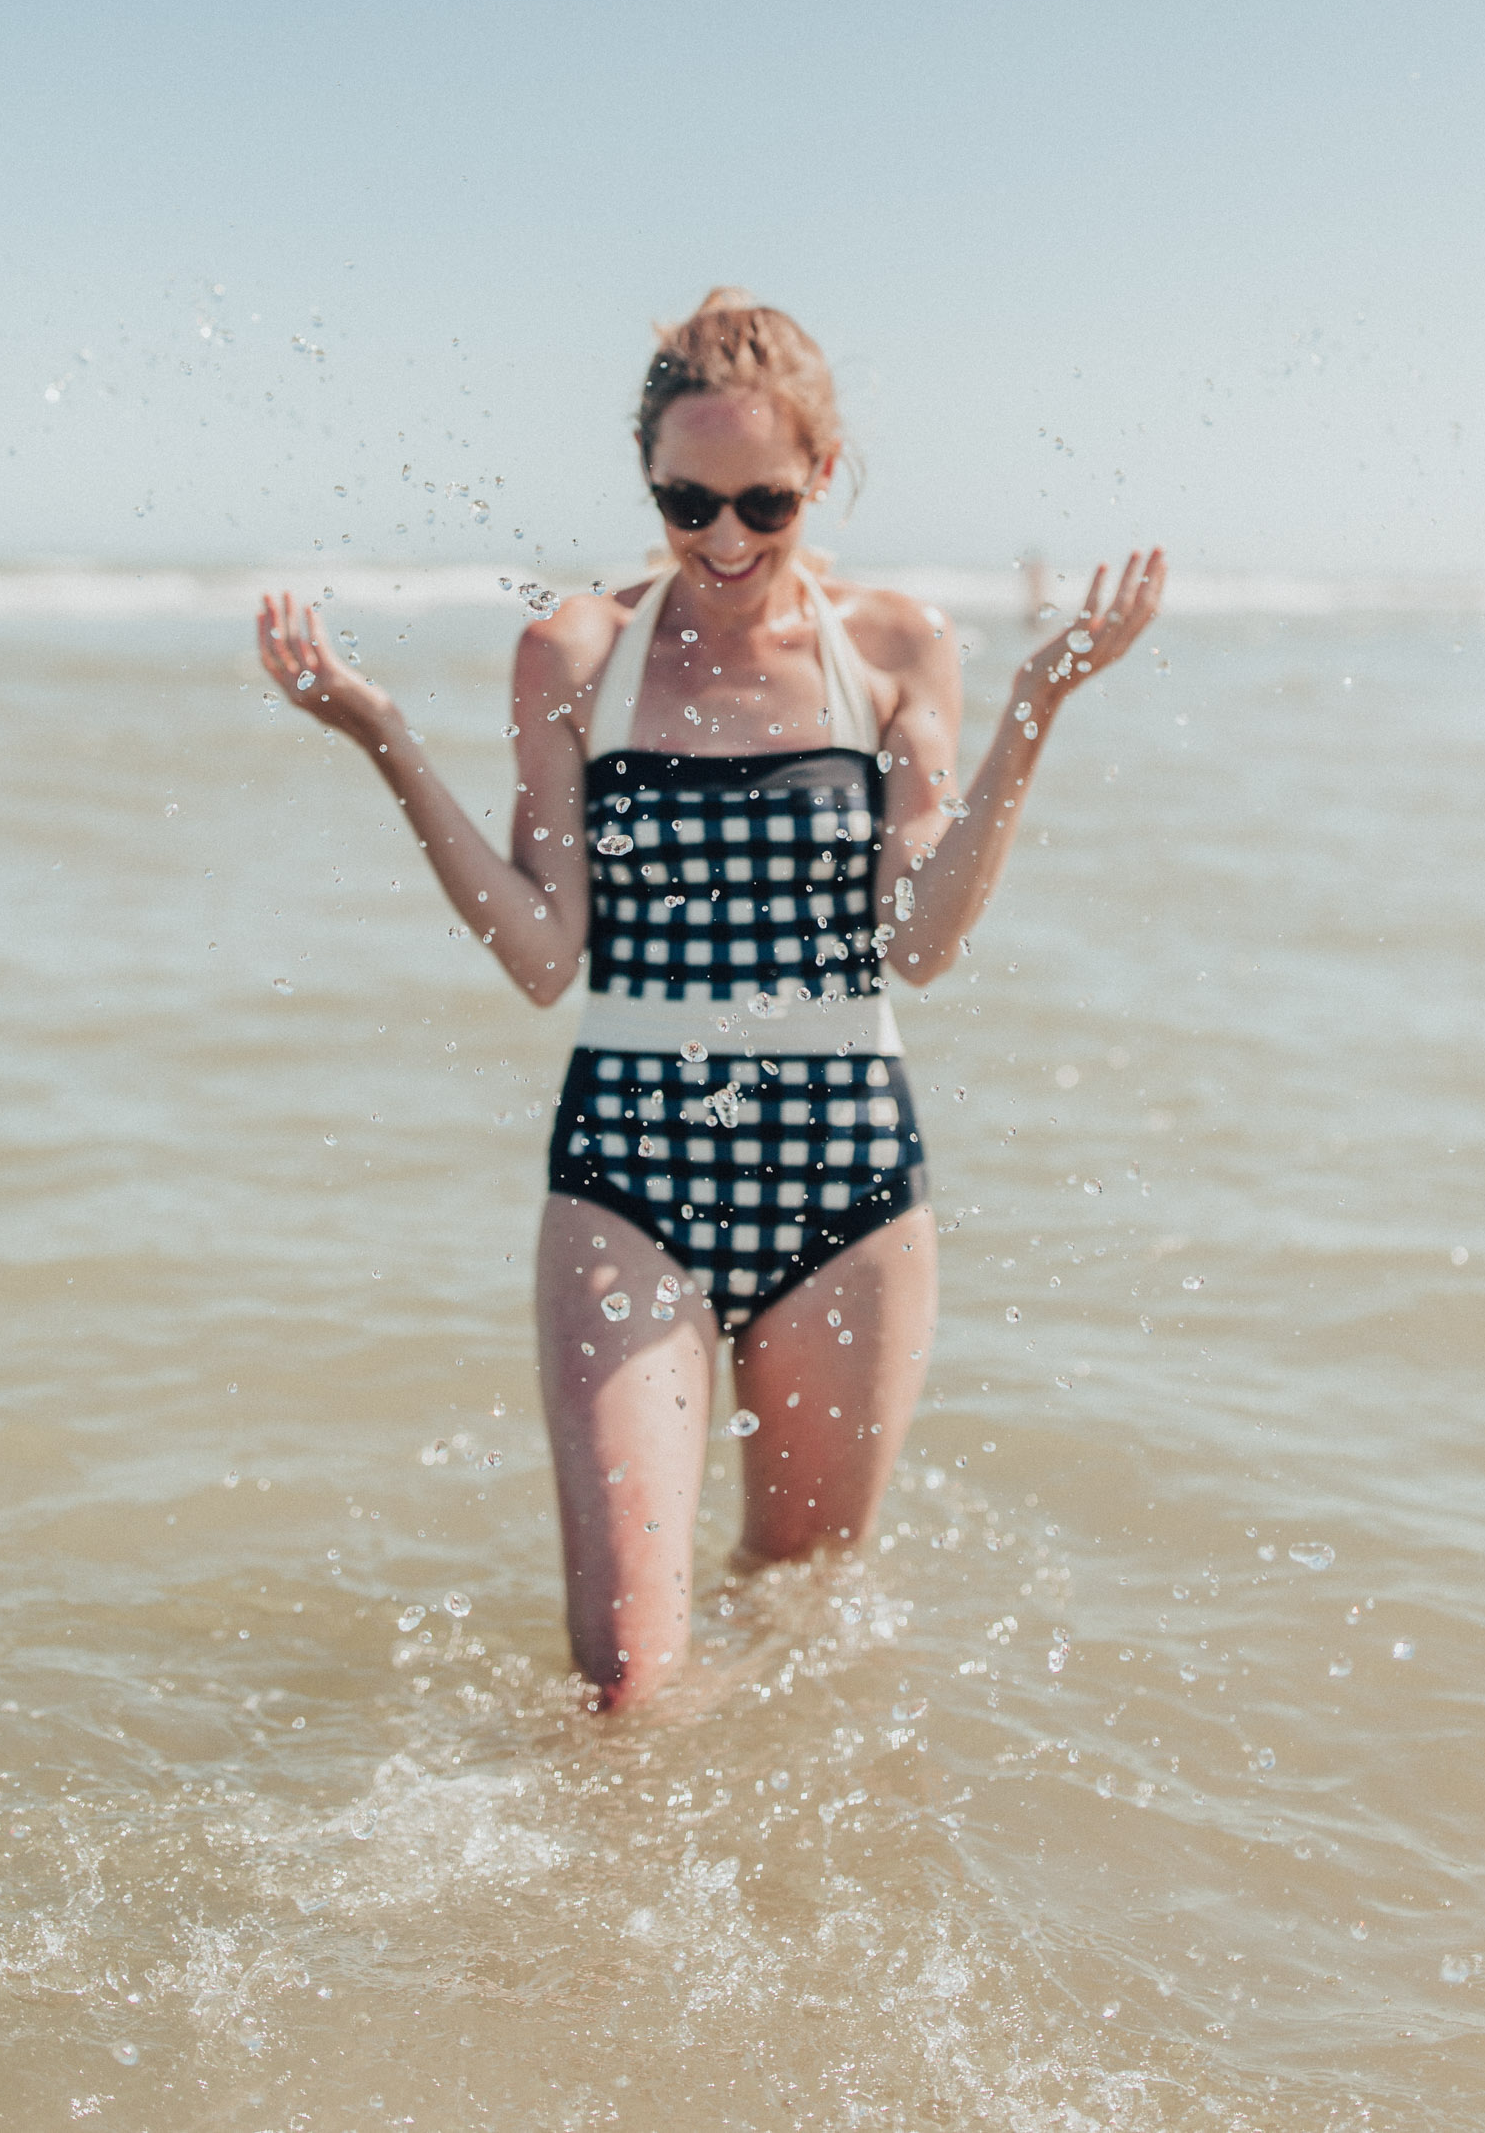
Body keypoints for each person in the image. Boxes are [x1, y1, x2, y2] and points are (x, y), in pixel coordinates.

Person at [257, 290, 1164, 1707]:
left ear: (823, 473)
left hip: (848, 1181)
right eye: (688, 502)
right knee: (624, 1676)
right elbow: (545, 953)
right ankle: (594, 1921)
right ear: (646, 481)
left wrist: (1037, 707)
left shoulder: (897, 650)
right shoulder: (577, 655)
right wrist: (382, 740)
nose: (726, 540)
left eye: (764, 502)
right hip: (630, 1170)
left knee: (800, 1624)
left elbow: (918, 942)